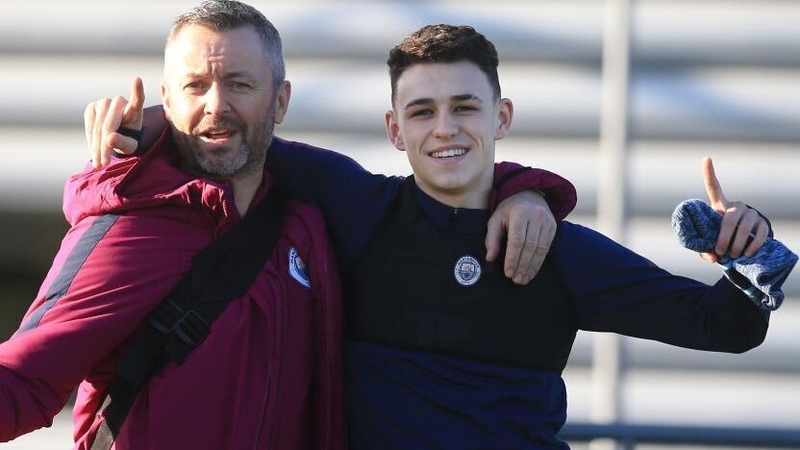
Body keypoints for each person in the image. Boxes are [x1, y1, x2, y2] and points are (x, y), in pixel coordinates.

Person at [85, 21, 796, 449]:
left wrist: (750, 249)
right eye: (422, 112)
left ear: (502, 116)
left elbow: (724, 327)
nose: (445, 128)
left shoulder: (559, 249)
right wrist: (129, 132)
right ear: (395, 129)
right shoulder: (356, 205)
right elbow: (231, 138)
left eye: (465, 107)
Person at [2, 1, 577, 449]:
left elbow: (426, 207)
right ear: (167, 103)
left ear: (280, 102)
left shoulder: (315, 223)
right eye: (195, 87)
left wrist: (523, 190)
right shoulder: (128, 231)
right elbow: (23, 379)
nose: (216, 104)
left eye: (241, 85)